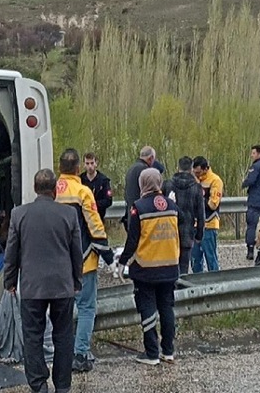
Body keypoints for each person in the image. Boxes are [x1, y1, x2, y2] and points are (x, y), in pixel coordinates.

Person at [4, 168, 82, 393]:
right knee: (64, 336)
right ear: (55, 189)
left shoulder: (19, 215)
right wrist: (77, 280)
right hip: (62, 286)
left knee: (32, 337)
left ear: (35, 188)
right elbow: (76, 252)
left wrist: (10, 280)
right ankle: (63, 385)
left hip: (32, 287)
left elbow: (12, 252)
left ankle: (39, 384)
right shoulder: (69, 215)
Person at [55, 148, 114, 373]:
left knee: (61, 308)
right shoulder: (82, 192)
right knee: (87, 306)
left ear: (60, 168)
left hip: (56, 261)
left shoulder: (50, 190)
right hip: (83, 260)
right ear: (78, 168)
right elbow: (95, 226)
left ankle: (62, 353)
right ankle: (80, 354)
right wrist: (107, 255)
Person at [118, 168, 180, 365]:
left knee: (147, 309)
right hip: (170, 265)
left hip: (146, 268)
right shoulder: (171, 205)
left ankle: (152, 353)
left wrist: (122, 261)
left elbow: (133, 239)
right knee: (167, 308)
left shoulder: (139, 207)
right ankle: (168, 351)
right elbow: (183, 224)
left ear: (142, 183)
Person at [162, 156, 205, 275]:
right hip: (187, 232)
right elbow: (201, 215)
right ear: (191, 169)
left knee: (170, 268)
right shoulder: (197, 188)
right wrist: (199, 235)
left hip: (169, 233)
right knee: (184, 269)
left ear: (178, 168)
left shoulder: (167, 185)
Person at [191, 156, 223, 273]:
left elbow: (213, 204)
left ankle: (214, 282)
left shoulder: (215, 180)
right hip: (194, 225)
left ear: (205, 169)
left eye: (199, 172)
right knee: (194, 260)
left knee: (211, 258)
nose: (197, 175)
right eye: (194, 172)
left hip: (209, 224)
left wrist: (198, 192)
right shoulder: (194, 180)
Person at [123, 146, 156, 231]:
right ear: (151, 158)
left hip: (131, 215)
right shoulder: (145, 171)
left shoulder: (131, 169)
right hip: (142, 217)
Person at [80, 152, 113, 221]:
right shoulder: (80, 180)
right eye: (87, 163)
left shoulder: (104, 181)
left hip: (98, 218)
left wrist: (94, 205)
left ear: (96, 163)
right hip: (83, 220)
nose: (90, 166)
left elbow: (108, 200)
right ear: (84, 164)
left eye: (92, 163)